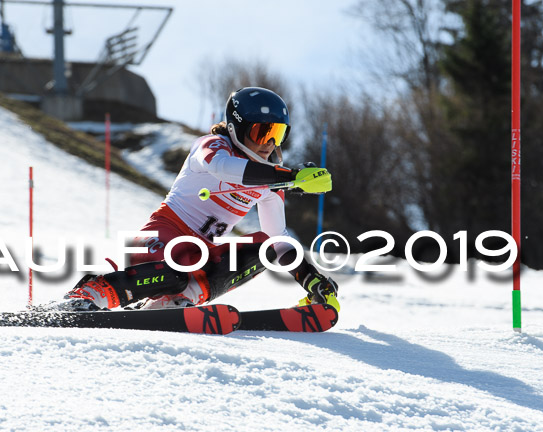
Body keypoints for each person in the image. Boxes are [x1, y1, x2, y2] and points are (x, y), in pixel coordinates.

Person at [61, 87, 340, 312]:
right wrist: (290, 175)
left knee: (264, 246)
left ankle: (172, 303)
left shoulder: (270, 182)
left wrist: (310, 278)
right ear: (236, 129)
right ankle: (91, 293)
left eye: (277, 134)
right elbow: (223, 168)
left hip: (200, 254)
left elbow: (278, 241)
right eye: (261, 133)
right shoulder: (212, 146)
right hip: (161, 239)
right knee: (176, 272)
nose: (269, 144)